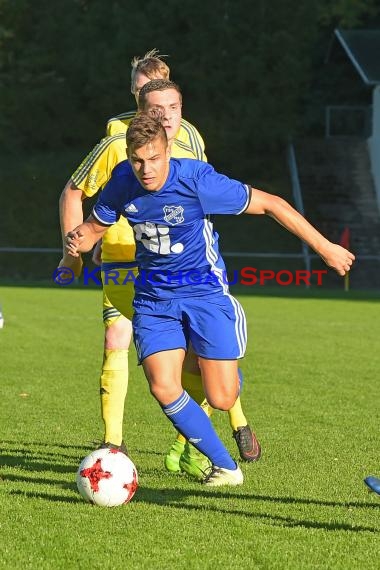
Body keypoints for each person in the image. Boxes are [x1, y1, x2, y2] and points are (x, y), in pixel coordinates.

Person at [64, 111, 355, 486]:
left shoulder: (197, 181)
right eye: (138, 160)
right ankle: (227, 468)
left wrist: (326, 247)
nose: (146, 169)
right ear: (128, 157)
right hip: (154, 299)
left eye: (153, 159)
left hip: (204, 294)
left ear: (167, 151)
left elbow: (271, 204)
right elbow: (94, 228)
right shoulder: (122, 181)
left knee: (222, 396)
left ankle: (220, 365)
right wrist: (79, 242)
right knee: (162, 384)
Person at [59, 55, 260, 479]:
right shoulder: (117, 140)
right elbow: (76, 193)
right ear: (138, 99)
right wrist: (80, 245)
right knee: (120, 338)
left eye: (165, 98)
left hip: (188, 269)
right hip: (125, 263)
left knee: (199, 362)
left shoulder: (190, 138)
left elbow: (205, 194)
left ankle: (217, 427)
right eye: (142, 94)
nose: (158, 110)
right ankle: (113, 440)